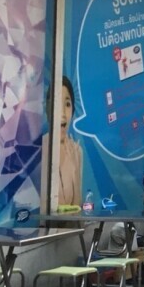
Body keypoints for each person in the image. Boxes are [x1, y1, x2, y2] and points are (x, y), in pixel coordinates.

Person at [55, 76, 83, 206]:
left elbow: (77, 206)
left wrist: (75, 167)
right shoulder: (40, 148)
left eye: (67, 104)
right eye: (56, 104)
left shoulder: (76, 151)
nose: (62, 113)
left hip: (70, 225)